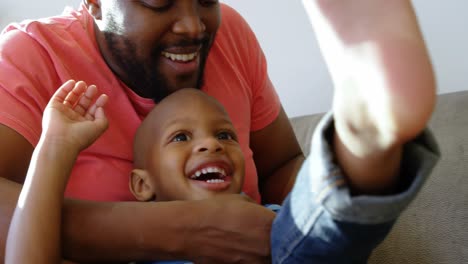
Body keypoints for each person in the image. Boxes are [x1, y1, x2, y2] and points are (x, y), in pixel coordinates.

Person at [0, 0, 439, 263]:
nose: (194, 26)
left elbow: (282, 163)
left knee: (317, 237)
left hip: (271, 243)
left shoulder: (230, 33)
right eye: (160, 2)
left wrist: (295, 218)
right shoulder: (32, 58)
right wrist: (183, 228)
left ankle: (367, 126)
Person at [5, 84, 438, 264]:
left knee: (314, 237)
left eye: (226, 135)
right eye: (180, 138)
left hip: (289, 244)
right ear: (142, 185)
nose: (211, 145)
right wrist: (55, 149)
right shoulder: (137, 255)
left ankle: (369, 138)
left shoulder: (268, 223)